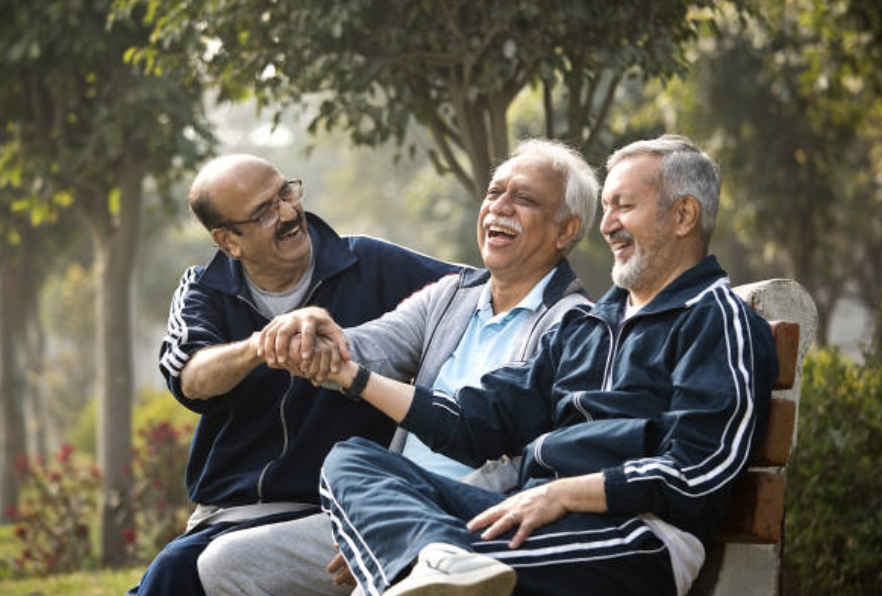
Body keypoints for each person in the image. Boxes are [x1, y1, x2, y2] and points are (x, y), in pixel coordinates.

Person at [312, 135, 779, 596]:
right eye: (607, 207)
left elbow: (702, 469)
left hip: (632, 537)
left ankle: (429, 561)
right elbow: (479, 422)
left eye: (625, 206)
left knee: (415, 576)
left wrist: (562, 493)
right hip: (534, 518)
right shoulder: (587, 329)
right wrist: (354, 377)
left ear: (683, 216)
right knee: (351, 459)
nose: (608, 224)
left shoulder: (716, 320)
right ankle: (433, 558)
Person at [196, 138, 600, 596]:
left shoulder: (574, 325)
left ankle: (412, 557)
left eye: (523, 199)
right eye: (494, 192)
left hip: (478, 520)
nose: (499, 207)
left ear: (566, 230)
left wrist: (394, 527)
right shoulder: (451, 295)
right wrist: (311, 329)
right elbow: (362, 348)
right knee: (225, 564)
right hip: (388, 508)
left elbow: (515, 451)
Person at [127, 154, 458, 596]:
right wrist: (263, 345)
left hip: (345, 503)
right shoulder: (203, 288)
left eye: (286, 192)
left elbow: (477, 294)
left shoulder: (373, 263)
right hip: (234, 512)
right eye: (264, 212)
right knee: (176, 574)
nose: (288, 213)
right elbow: (191, 376)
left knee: (175, 575)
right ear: (228, 241)